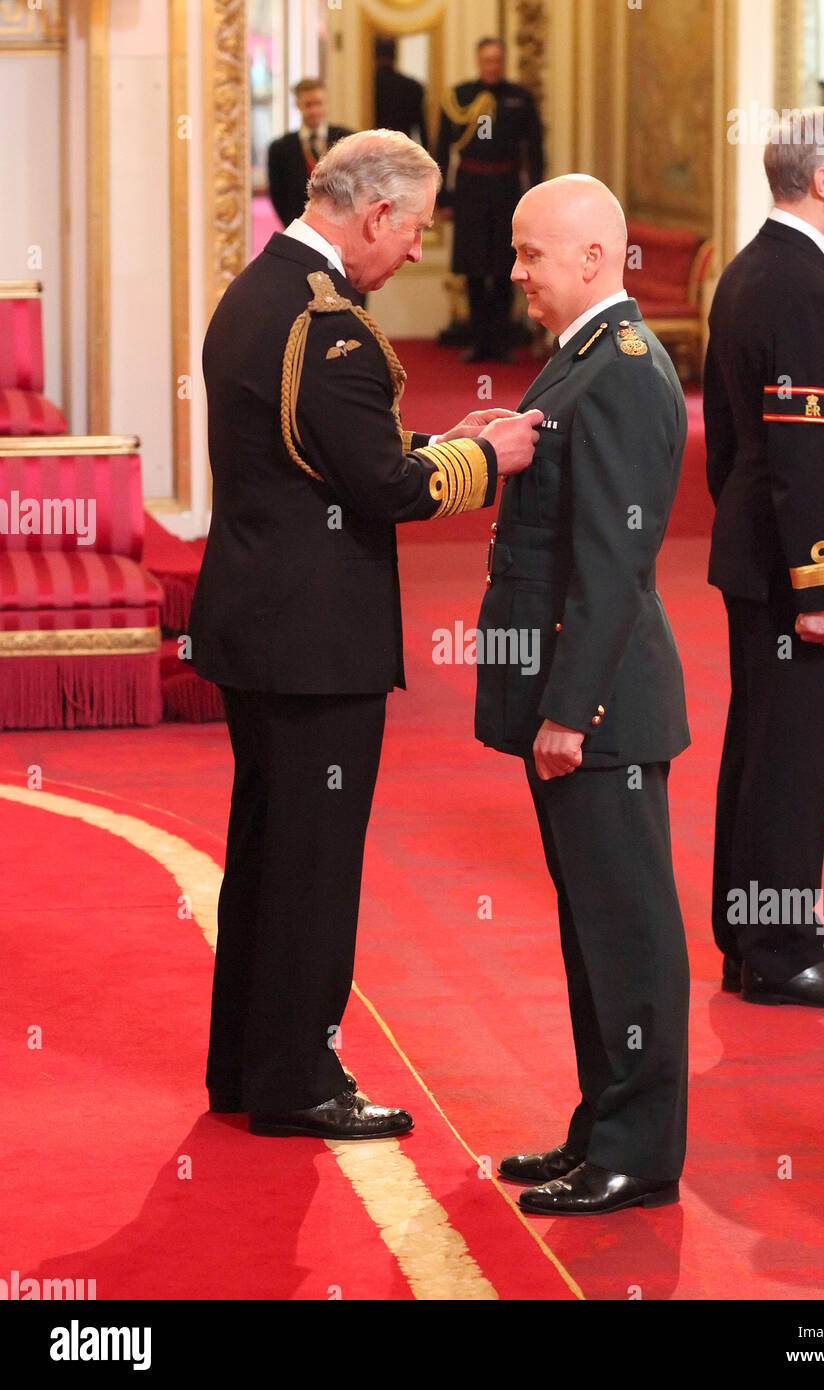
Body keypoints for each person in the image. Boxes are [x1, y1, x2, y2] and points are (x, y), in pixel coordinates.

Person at [189, 130, 542, 1141]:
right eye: (416, 229)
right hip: (313, 639)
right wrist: (487, 461)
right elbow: (380, 485)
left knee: (264, 853)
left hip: (257, 622)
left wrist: (442, 441)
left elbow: (334, 454)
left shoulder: (260, 290)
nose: (418, 251)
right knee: (310, 863)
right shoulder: (328, 325)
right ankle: (299, 1080)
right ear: (376, 214)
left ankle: (247, 1064)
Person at [475, 175, 691, 1215]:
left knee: (628, 930)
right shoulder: (579, 361)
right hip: (583, 697)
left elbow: (611, 563)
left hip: (602, 707)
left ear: (594, 259)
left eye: (531, 253)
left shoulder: (621, 370)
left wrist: (568, 709)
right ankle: (600, 1123)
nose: (514, 272)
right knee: (590, 927)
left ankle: (638, 1151)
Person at [704, 107, 824, 1007]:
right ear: (820, 180)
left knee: (759, 745)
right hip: (797, 572)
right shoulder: (803, 286)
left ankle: (749, 941)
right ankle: (781, 952)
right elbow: (801, 454)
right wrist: (819, 581)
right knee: (790, 760)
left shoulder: (752, 269)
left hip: (757, 555)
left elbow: (728, 447)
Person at [434, 37, 544, 362]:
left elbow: (534, 149)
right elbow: (443, 148)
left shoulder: (520, 98)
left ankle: (501, 341)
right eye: (487, 60)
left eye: (497, 60)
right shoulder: (460, 97)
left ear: (503, 62)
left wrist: (536, 194)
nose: (492, 66)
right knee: (473, 268)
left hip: (507, 188)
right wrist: (444, 197)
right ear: (478, 61)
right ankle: (478, 340)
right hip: (470, 188)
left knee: (505, 265)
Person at [266, 78, 354, 228]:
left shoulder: (347, 139)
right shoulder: (280, 148)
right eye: (308, 105)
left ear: (326, 104)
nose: (314, 110)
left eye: (318, 103)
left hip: (341, 223)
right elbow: (278, 195)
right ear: (298, 105)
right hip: (299, 225)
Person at [374, 36, 428, 147]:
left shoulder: (367, 87)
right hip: (403, 145)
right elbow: (421, 128)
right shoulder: (413, 86)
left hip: (374, 146)